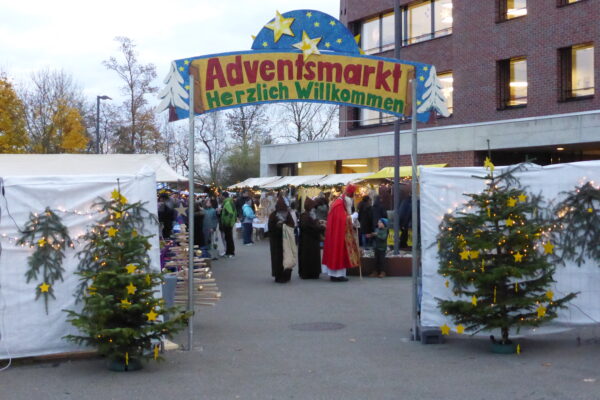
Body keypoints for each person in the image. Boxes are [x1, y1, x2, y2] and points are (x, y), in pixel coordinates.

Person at [322, 184, 361, 282]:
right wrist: (353, 217)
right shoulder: (339, 204)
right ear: (348, 195)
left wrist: (353, 220)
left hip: (337, 233)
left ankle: (335, 275)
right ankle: (337, 275)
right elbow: (342, 220)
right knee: (338, 253)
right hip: (338, 235)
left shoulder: (341, 203)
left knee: (338, 253)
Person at [268, 198, 295, 283]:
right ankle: (278, 276)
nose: (283, 213)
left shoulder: (288, 215)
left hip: (286, 240)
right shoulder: (273, 216)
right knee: (277, 259)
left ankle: (287, 275)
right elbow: (270, 229)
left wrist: (284, 225)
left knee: (287, 257)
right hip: (276, 242)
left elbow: (292, 224)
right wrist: (278, 226)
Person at [298, 198, 325, 279]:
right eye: (313, 207)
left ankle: (312, 273)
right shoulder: (305, 216)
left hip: (312, 240)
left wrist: (318, 223)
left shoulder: (308, 215)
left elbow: (313, 225)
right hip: (307, 241)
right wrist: (321, 227)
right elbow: (310, 227)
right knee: (308, 257)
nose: (314, 209)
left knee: (312, 257)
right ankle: (308, 273)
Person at [220, 192, 237, 258]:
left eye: (221, 196)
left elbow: (230, 213)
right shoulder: (230, 202)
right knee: (228, 238)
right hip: (229, 223)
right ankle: (229, 252)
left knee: (228, 238)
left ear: (223, 196)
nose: (220, 197)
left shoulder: (227, 203)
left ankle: (230, 252)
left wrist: (227, 222)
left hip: (228, 224)